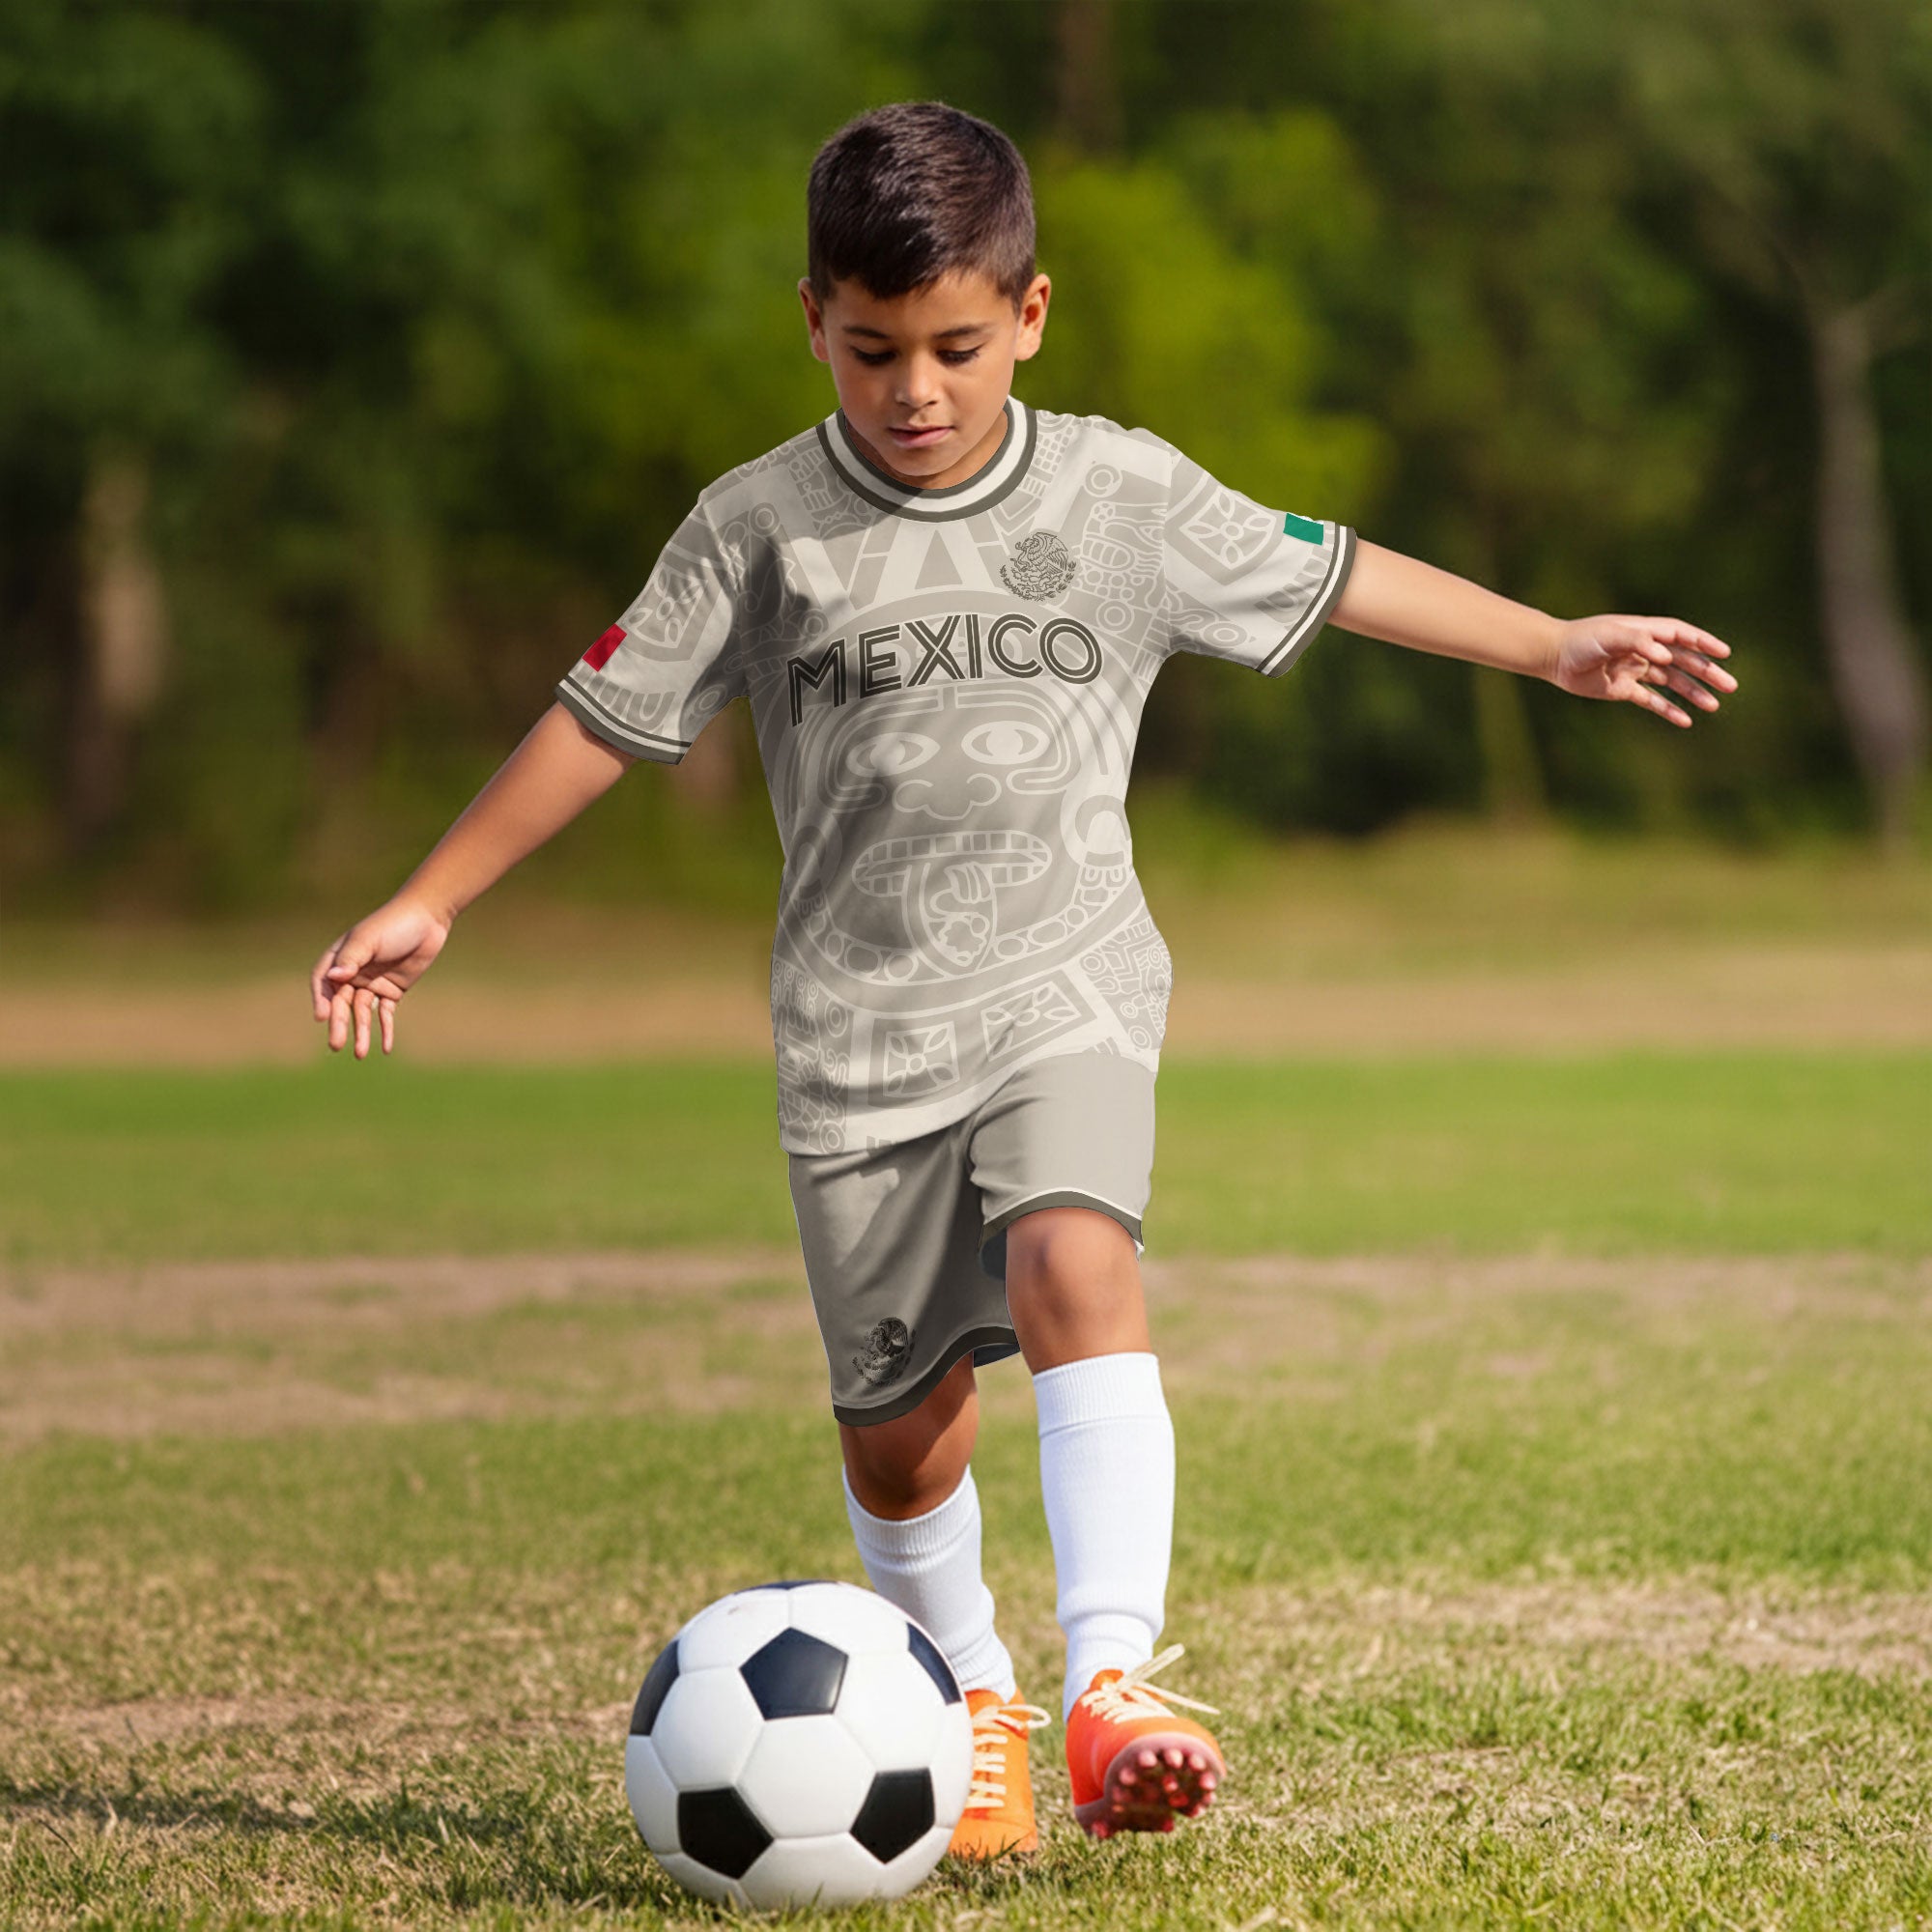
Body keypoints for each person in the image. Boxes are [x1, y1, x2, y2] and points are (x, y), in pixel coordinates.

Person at [310, 100, 1736, 1860]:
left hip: (1066, 991)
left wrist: (1555, 642)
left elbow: (1337, 569)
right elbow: (605, 715)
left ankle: (1111, 1685)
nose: (917, 389)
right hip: (855, 1042)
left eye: (958, 349)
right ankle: (971, 1691)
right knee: (906, 1439)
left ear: (1032, 316)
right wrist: (432, 895)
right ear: (814, 324)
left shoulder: (1119, 493)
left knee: (1079, 1254)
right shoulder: (756, 525)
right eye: (873, 350)